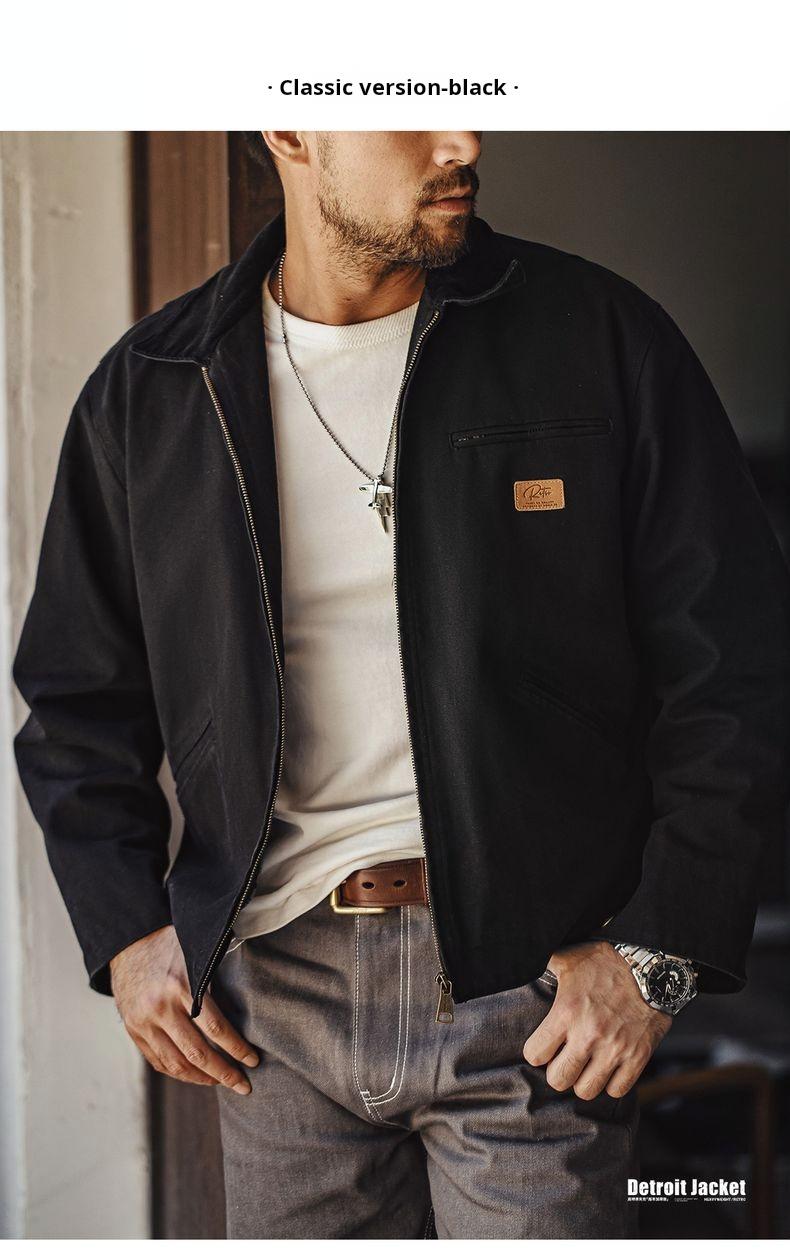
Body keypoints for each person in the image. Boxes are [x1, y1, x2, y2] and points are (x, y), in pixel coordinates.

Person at [13, 131, 790, 1239]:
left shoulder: (595, 337)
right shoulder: (156, 387)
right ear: (292, 129)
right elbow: (75, 698)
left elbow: (736, 663)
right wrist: (129, 930)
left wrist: (658, 951)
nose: (460, 140)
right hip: (270, 1016)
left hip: (532, 998)